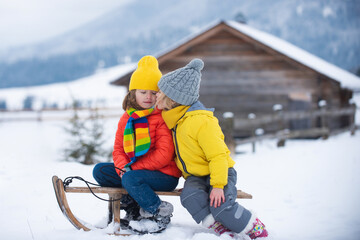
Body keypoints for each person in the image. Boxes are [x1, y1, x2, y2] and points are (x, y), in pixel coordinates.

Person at [155, 58, 269, 239]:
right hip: (197, 176)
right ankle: (221, 228)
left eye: (160, 92)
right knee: (189, 197)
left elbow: (218, 156)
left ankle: (254, 228)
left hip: (220, 172)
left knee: (221, 206)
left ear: (173, 98)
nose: (156, 95)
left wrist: (217, 185)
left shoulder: (200, 121)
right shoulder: (176, 120)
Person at [92, 55, 181, 230]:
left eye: (153, 93)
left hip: (164, 175)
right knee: (100, 171)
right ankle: (134, 209)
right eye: (143, 92)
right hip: (134, 171)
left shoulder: (162, 116)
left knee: (131, 178)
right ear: (133, 93)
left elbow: (164, 154)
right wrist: (124, 167)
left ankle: (159, 212)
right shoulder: (127, 118)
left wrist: (132, 169)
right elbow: (118, 150)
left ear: (160, 94)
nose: (148, 97)